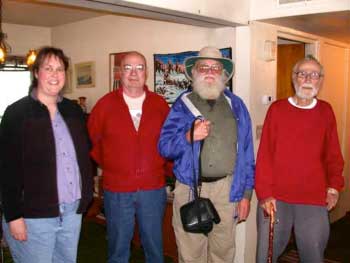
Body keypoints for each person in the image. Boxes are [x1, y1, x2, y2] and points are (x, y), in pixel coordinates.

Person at [158, 46, 255, 262]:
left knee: (223, 253)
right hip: (189, 190)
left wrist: (246, 195)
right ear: (195, 72)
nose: (210, 72)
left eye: (215, 67)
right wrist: (188, 137)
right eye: (204, 67)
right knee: (191, 255)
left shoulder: (236, 105)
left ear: (223, 74)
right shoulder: (182, 105)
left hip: (227, 190)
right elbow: (164, 147)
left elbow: (247, 153)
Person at [0, 46, 94, 263]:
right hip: (34, 215)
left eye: (60, 69)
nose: (54, 75)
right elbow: (7, 169)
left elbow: (83, 157)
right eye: (48, 68)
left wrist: (86, 196)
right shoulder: (17, 113)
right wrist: (13, 216)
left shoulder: (73, 111)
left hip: (71, 212)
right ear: (36, 73)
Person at [255, 55, 344, 262]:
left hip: (313, 198)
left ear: (320, 80)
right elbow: (265, 155)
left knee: (313, 253)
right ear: (293, 78)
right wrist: (265, 194)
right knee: (266, 255)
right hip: (276, 198)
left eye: (313, 75)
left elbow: (333, 154)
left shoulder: (325, 111)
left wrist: (333, 187)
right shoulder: (277, 110)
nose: (307, 78)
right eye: (302, 73)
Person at [88, 51, 171, 263]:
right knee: (118, 248)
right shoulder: (104, 105)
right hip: (117, 190)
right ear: (119, 74)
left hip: (152, 189)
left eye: (139, 67)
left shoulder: (160, 105)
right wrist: (117, 167)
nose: (134, 73)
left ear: (147, 72)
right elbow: (94, 143)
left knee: (154, 248)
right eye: (128, 68)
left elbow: (169, 143)